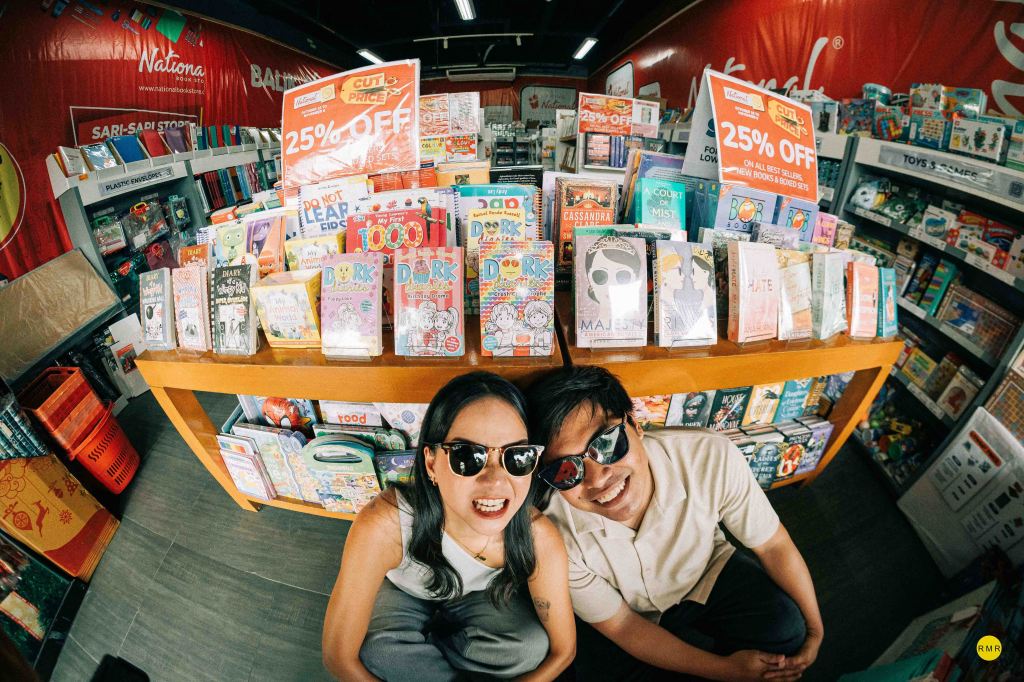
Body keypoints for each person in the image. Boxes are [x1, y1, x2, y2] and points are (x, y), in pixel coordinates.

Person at [526, 366, 823, 682]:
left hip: (705, 571)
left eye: (608, 444)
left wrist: (815, 629)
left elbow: (772, 545)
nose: (598, 478)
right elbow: (623, 624)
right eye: (566, 471)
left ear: (635, 424)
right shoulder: (551, 531)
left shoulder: (708, 455)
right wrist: (726, 670)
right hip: (624, 608)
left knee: (787, 631)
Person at [323, 371, 575, 681]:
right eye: (468, 457)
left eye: (517, 456)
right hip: (404, 591)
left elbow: (563, 651)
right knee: (379, 650)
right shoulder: (387, 522)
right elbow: (339, 657)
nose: (496, 481)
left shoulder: (539, 537)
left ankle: (436, 647)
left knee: (528, 648)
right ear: (431, 463)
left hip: (479, 598)